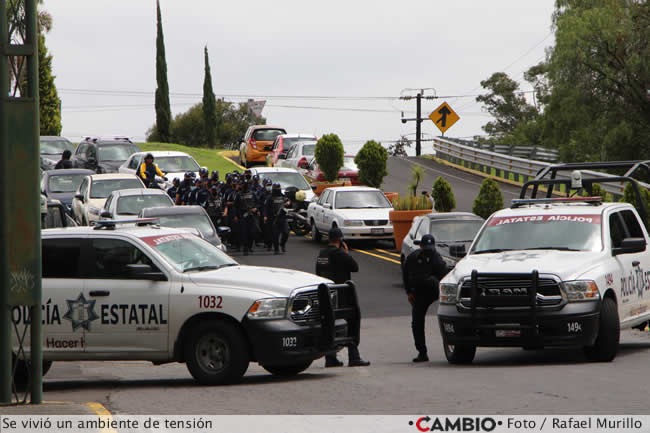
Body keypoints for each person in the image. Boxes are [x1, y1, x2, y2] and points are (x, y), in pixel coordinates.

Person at [316, 227, 370, 367]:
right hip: (342, 295)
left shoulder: (322, 254)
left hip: (327, 296)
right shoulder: (339, 253)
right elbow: (355, 267)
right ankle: (354, 356)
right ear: (340, 240)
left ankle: (330, 357)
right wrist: (346, 253)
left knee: (330, 325)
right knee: (352, 322)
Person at [403, 234, 448, 362]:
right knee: (417, 321)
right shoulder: (413, 258)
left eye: (430, 248)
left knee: (448, 315)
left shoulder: (437, 259)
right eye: (426, 248)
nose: (428, 251)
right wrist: (409, 292)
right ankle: (422, 352)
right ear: (421, 246)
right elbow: (406, 275)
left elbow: (445, 277)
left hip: (435, 290)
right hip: (420, 293)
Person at [264, 183, 290, 254]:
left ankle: (282, 244)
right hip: (274, 218)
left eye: (279, 187)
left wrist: (288, 202)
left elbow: (288, 201)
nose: (278, 189)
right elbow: (266, 208)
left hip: (282, 217)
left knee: (286, 232)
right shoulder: (269, 198)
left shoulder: (282, 196)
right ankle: (276, 249)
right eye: (276, 187)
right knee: (275, 235)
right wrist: (265, 216)